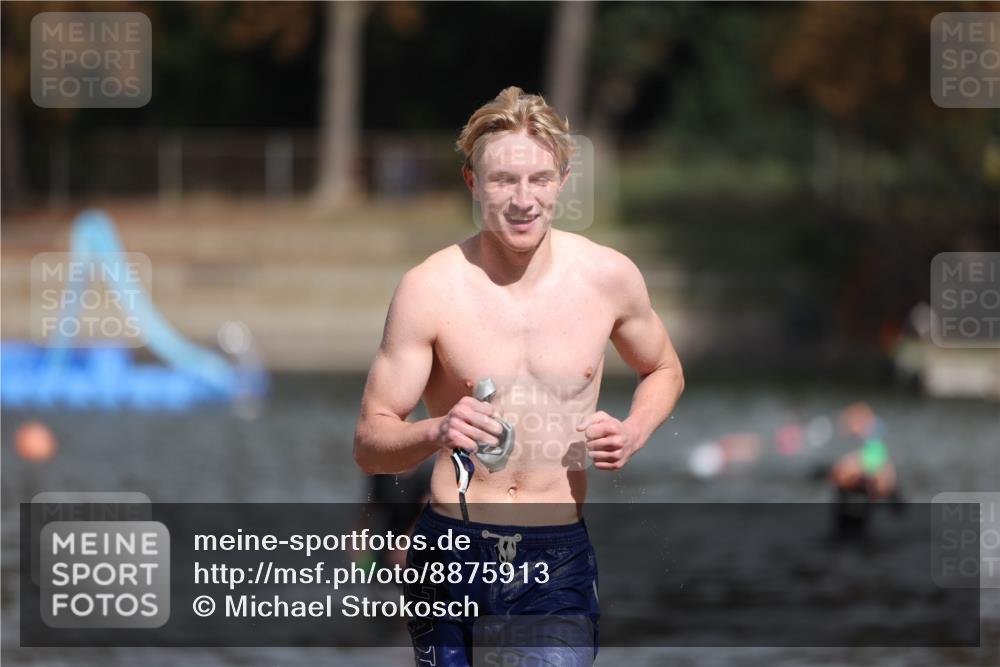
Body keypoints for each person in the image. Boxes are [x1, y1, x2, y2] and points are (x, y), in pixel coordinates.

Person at [353, 86, 684, 667]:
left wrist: (634, 431)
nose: (523, 200)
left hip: (555, 556)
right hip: (448, 551)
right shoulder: (429, 290)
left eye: (539, 179)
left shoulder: (608, 278)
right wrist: (435, 432)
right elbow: (369, 444)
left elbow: (663, 368)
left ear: (562, 181)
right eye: (504, 180)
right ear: (473, 183)